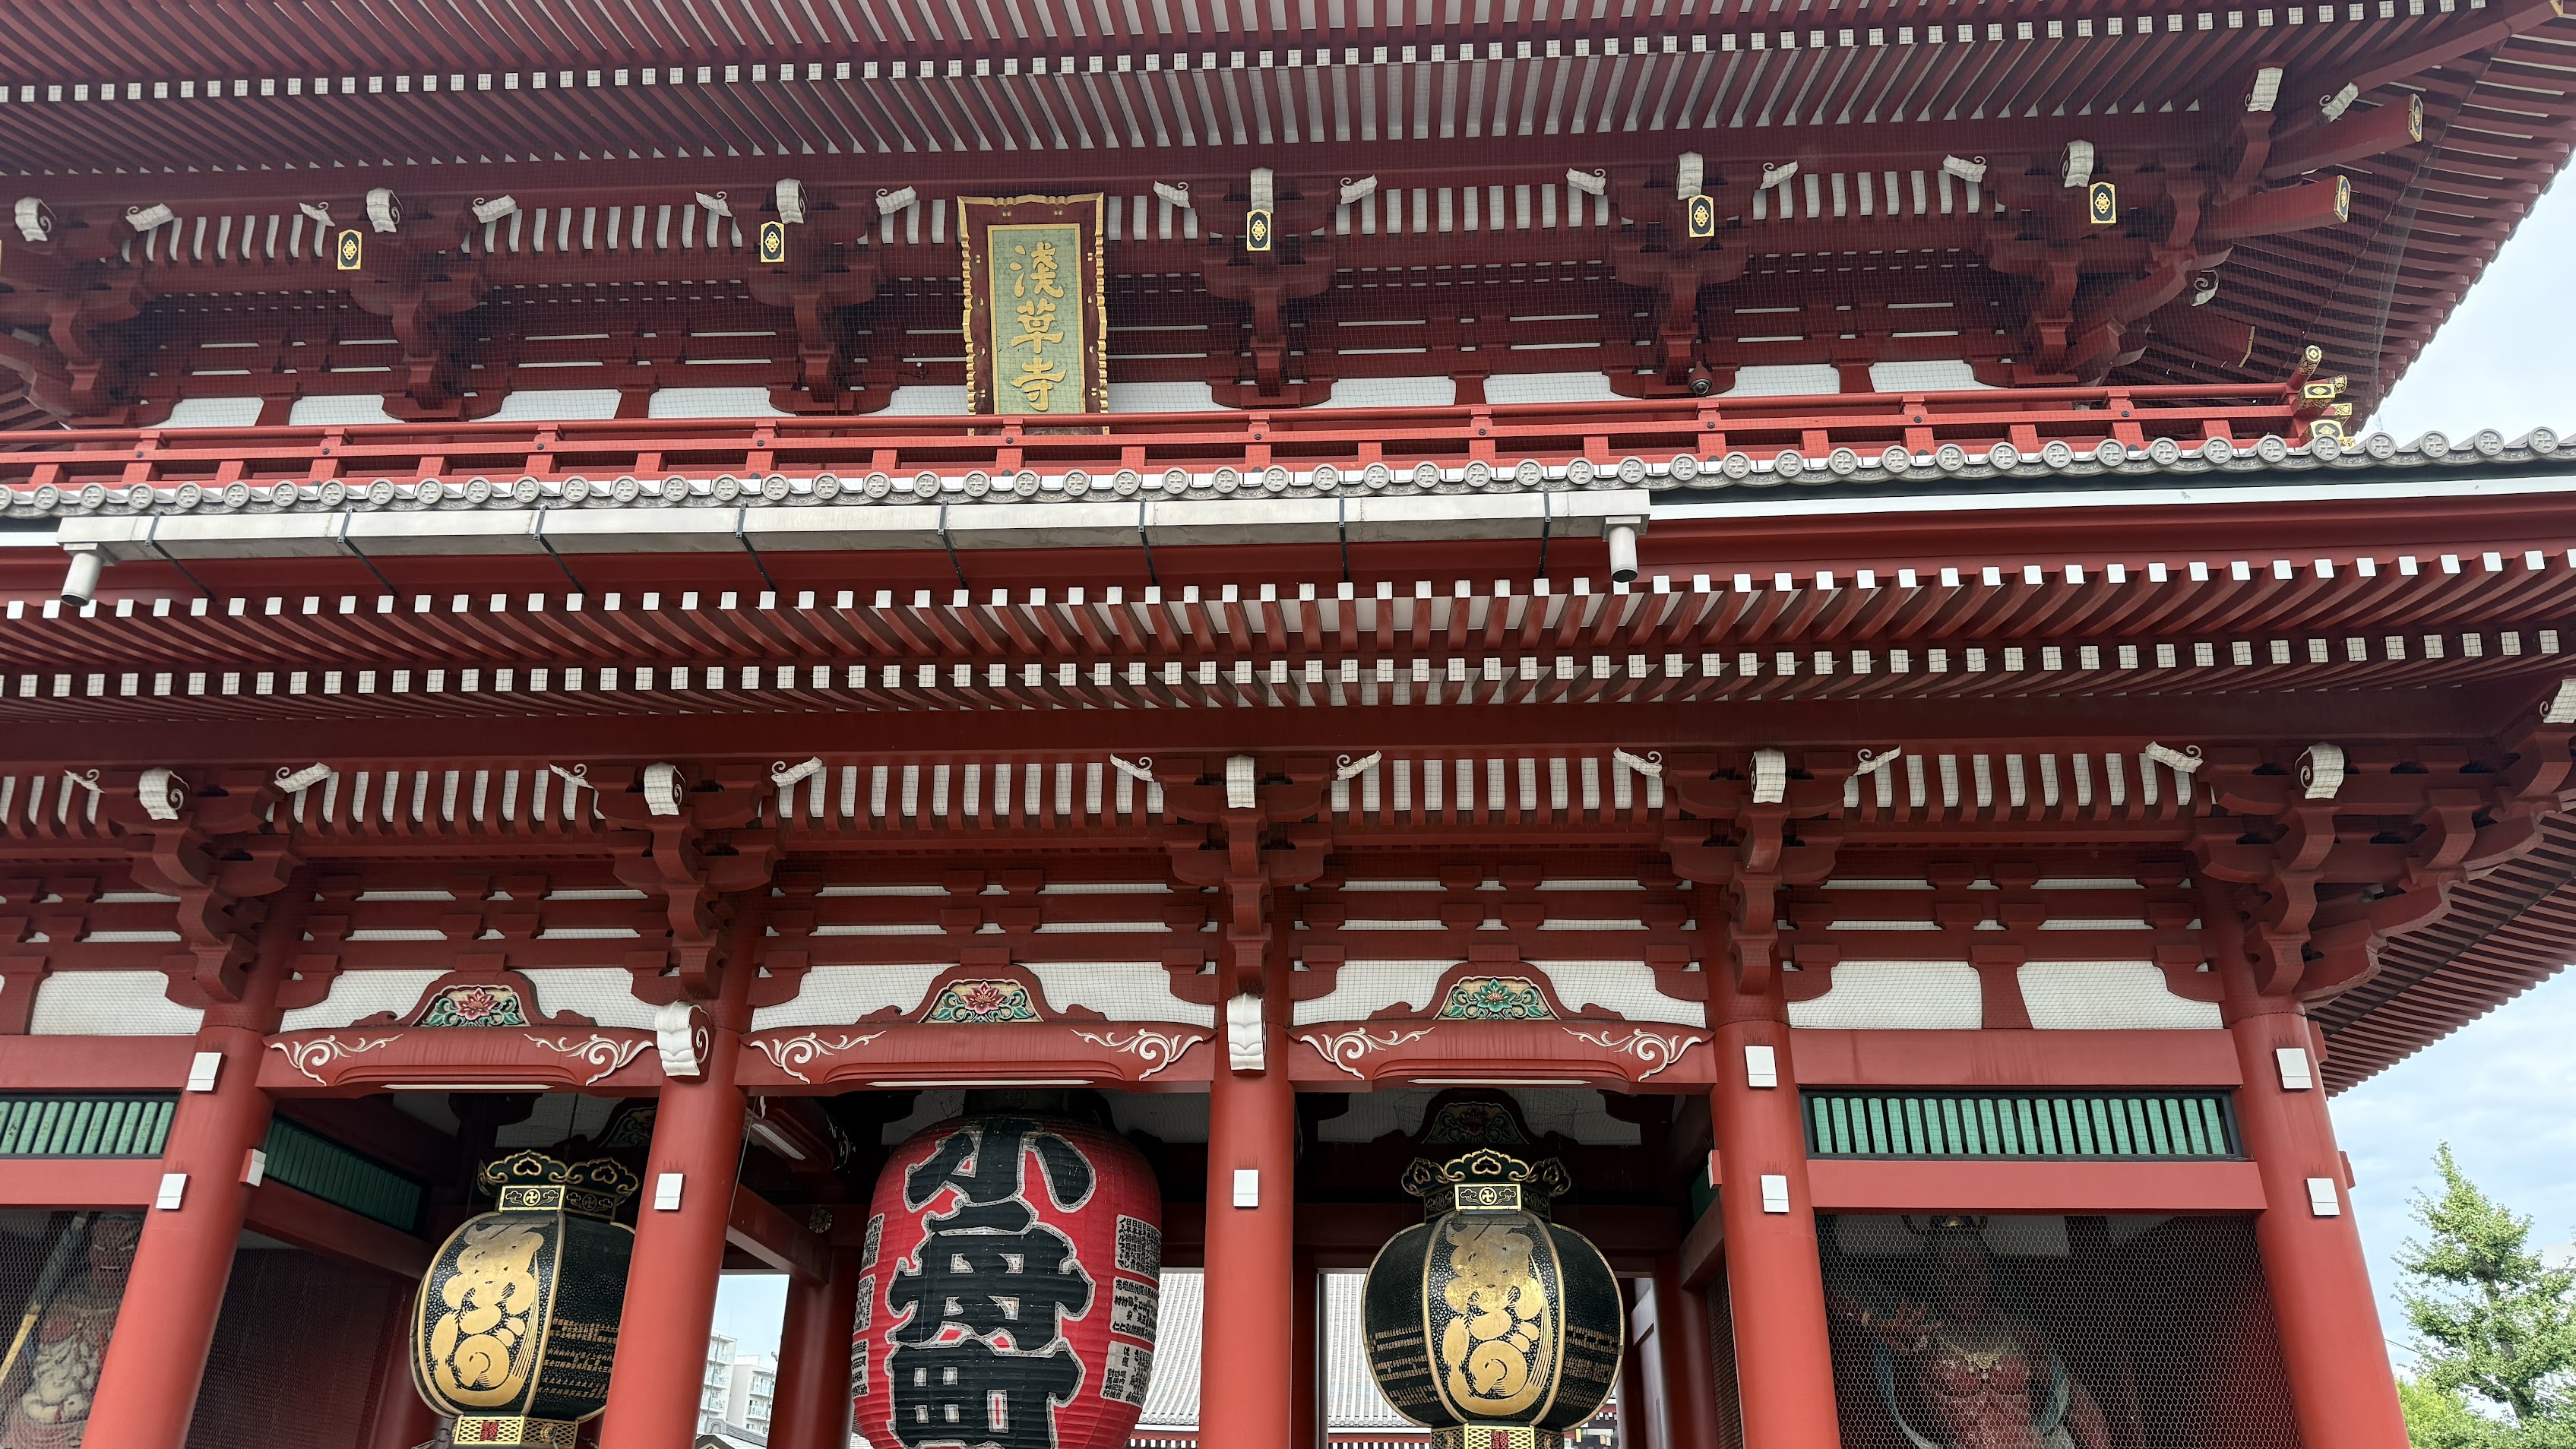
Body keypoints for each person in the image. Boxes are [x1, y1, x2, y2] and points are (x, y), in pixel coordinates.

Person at [1831, 1216, 2111, 1449]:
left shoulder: (2018, 1332)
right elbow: (1834, 1279)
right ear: (1936, 1279)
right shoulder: (1923, 1331)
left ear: (1989, 1274)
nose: (1964, 1282)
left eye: (1972, 1271)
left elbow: (2071, 1395)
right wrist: (1874, 1322)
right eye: (1951, 1274)